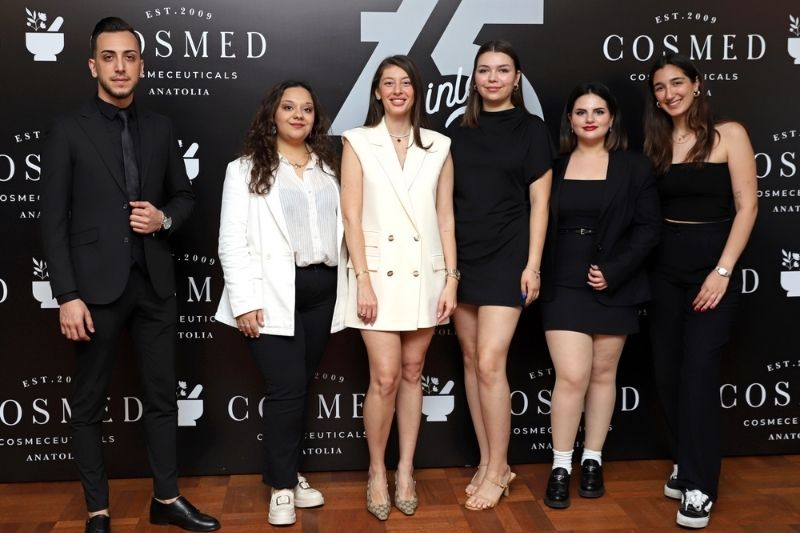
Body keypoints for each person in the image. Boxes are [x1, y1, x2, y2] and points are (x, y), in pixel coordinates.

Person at [40, 17, 219, 533]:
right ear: (92, 66)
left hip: (155, 284)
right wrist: (67, 294)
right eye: (109, 57)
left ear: (141, 64)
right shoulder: (68, 130)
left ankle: (166, 499)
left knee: (162, 397)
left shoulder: (160, 127)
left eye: (129, 57)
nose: (120, 67)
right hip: (94, 291)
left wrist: (163, 219)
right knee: (88, 403)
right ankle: (97, 511)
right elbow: (52, 222)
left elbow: (184, 196)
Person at [215, 80, 347, 526]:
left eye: (306, 109)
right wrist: (243, 301)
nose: (298, 115)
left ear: (315, 118)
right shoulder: (244, 169)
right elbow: (231, 241)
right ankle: (282, 486)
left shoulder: (329, 167)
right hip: (272, 291)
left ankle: (288, 471)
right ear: (272, 113)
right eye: (289, 107)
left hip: (323, 290)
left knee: (298, 387)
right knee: (286, 387)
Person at [340, 55, 457, 520]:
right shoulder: (357, 141)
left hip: (425, 275)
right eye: (388, 83)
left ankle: (405, 470)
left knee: (413, 372)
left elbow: (445, 218)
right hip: (377, 276)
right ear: (377, 91)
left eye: (405, 82)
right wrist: (363, 280)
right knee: (385, 377)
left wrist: (451, 278)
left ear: (416, 90)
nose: (397, 90)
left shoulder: (440, 146)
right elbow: (351, 217)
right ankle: (376, 471)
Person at [644, 53, 757, 529]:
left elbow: (747, 207)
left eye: (676, 83)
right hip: (664, 270)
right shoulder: (656, 141)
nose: (668, 93)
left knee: (698, 373)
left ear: (696, 84)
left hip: (713, 270)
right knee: (667, 373)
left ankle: (699, 486)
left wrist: (723, 271)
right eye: (659, 87)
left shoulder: (729, 134)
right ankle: (685, 459)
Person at [539, 82, 660, 509]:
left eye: (598, 112)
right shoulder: (553, 165)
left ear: (611, 119)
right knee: (573, 376)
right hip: (561, 283)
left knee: (604, 375)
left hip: (615, 283)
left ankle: (592, 459)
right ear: (570, 120)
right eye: (581, 112)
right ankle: (561, 465)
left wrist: (615, 271)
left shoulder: (634, 167)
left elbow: (649, 228)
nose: (589, 119)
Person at [449, 40, 553, 511]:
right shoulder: (458, 130)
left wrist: (532, 264)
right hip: (464, 256)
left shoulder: (532, 130)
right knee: (472, 360)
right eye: (484, 70)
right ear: (474, 78)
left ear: (517, 78)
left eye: (503, 70)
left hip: (508, 255)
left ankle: (499, 467)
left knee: (491, 362)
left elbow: (540, 204)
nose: (493, 78)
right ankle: (488, 460)